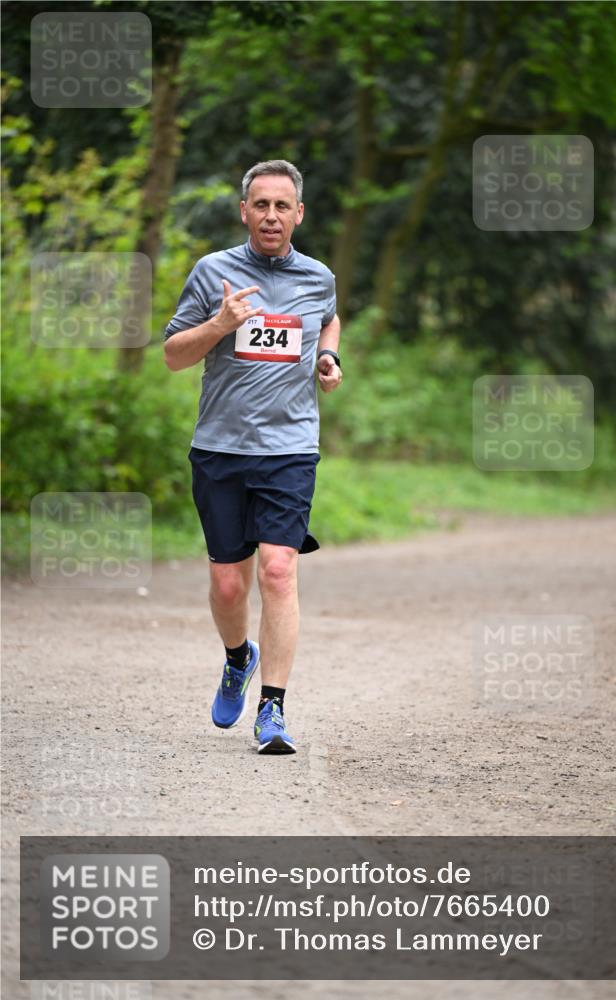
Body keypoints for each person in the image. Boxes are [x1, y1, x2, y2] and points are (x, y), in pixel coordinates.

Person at [163, 160, 342, 755]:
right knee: (228, 586)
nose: (271, 216)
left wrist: (328, 358)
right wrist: (220, 322)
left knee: (278, 571)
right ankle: (239, 658)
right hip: (219, 448)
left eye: (281, 206)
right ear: (244, 211)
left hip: (290, 450)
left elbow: (329, 317)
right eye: (260, 205)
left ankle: (273, 710)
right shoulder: (213, 272)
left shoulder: (318, 276)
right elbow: (173, 355)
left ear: (298, 214)